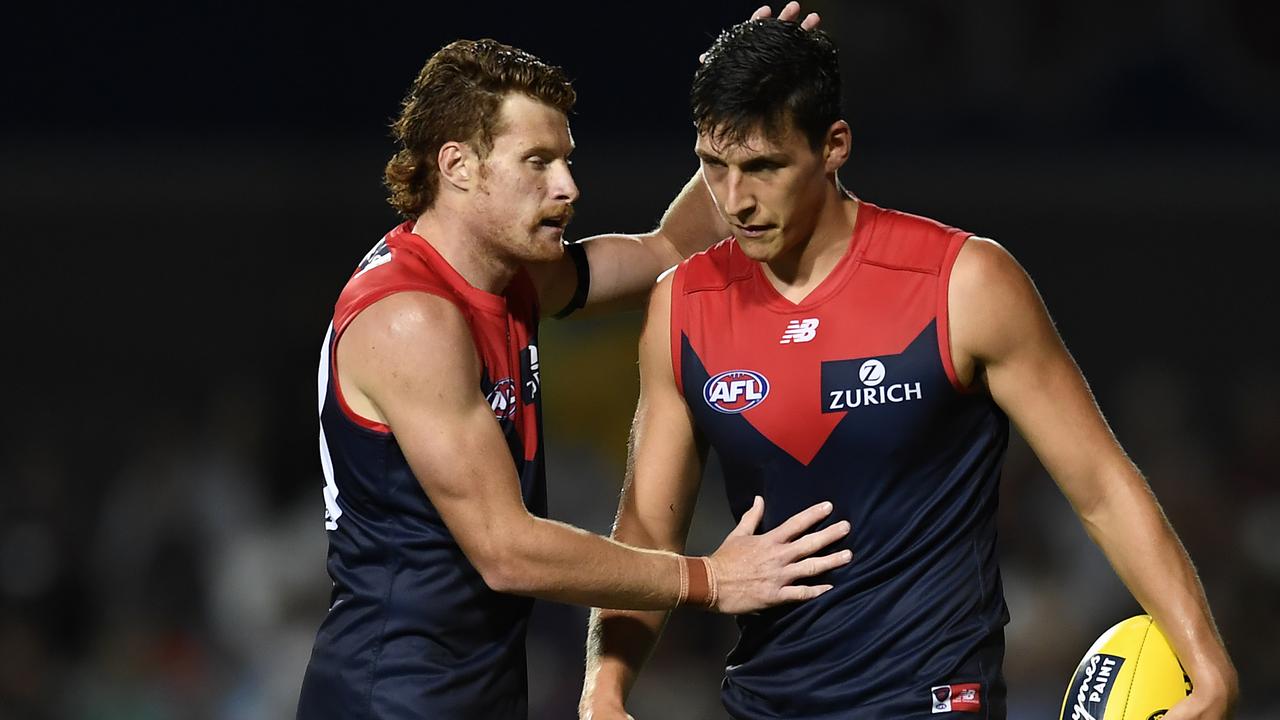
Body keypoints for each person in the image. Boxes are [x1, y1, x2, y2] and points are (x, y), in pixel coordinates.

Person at [579, 18, 1238, 720]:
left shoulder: (963, 284)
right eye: (714, 164)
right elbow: (648, 527)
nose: (734, 199)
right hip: (761, 705)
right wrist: (605, 688)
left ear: (834, 146)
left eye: (764, 166)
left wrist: (1207, 663)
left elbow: (1102, 487)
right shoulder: (682, 305)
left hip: (934, 702)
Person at [295, 6, 847, 720]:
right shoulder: (411, 318)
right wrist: (708, 578)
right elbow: (507, 551)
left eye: (567, 160)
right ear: (458, 165)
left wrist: (758, 101)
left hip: (472, 692)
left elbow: (666, 252)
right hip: (391, 699)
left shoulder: (510, 276)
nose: (568, 187)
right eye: (538, 164)